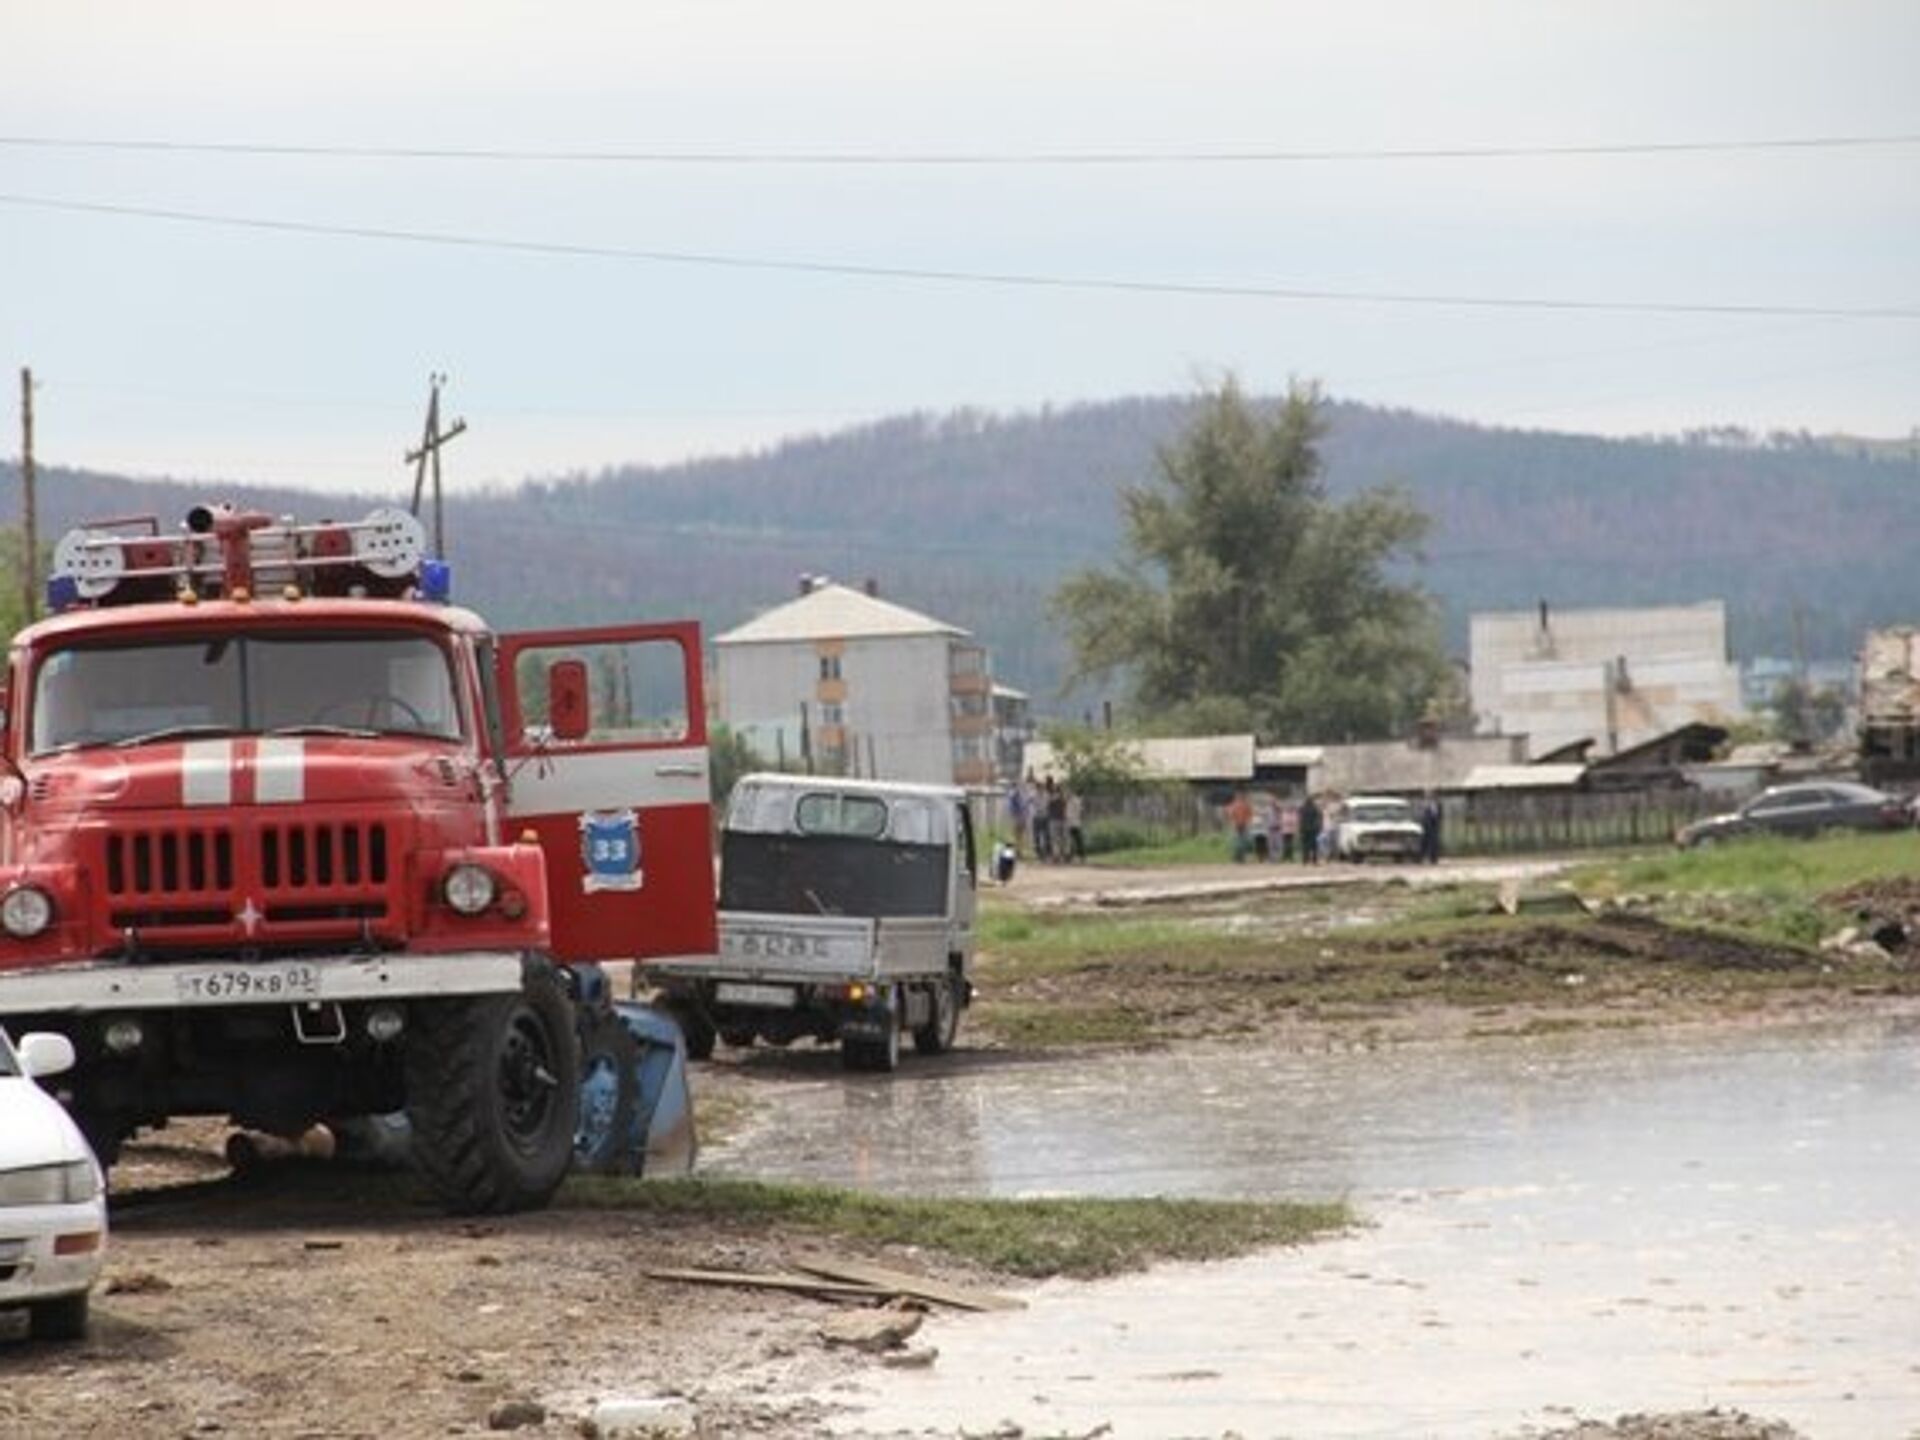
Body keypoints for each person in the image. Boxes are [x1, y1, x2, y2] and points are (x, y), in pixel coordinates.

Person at [1226, 790, 1254, 862]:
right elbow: (1230, 814)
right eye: (1238, 797)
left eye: (1240, 797)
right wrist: (1233, 822)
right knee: (1237, 841)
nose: (1239, 798)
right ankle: (1238, 857)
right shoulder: (1234, 805)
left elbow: (1250, 814)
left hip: (1243, 824)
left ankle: (1241, 857)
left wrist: (1248, 822)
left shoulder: (1245, 805)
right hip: (1237, 825)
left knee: (1242, 841)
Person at [1046, 780, 1069, 864]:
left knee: (1056, 838)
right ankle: (1062, 855)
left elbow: (1048, 805)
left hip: (1055, 819)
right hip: (1061, 819)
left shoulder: (1054, 796)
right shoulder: (1062, 796)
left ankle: (1058, 855)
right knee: (1062, 838)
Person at [1297, 792, 1322, 866]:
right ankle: (1314, 860)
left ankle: (1305, 861)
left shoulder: (1302, 808)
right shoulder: (1315, 808)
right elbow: (1318, 818)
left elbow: (1300, 819)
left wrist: (1300, 829)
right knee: (1314, 846)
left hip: (1305, 829)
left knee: (1305, 846)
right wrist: (1318, 828)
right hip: (1312, 829)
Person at [1420, 793, 1443, 866]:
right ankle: (1422, 857)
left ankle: (1434, 859)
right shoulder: (1425, 805)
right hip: (1427, 826)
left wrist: (1438, 822)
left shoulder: (1438, 804)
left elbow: (1440, 815)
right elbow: (1423, 815)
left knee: (1434, 843)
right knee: (1425, 842)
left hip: (1434, 826)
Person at [1065, 786, 1086, 862]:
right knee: (1074, 841)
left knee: (1074, 840)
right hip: (1072, 823)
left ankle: (1074, 856)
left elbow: (1081, 811)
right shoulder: (1073, 800)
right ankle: (1073, 856)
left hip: (1073, 823)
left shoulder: (1075, 800)